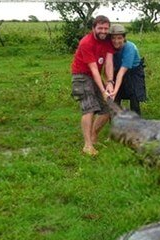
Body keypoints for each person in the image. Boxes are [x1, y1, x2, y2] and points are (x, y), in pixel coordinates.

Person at [71, 15, 115, 156]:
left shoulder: (108, 41)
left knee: (107, 108)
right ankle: (87, 145)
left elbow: (108, 62)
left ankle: (94, 137)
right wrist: (102, 90)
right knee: (89, 108)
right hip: (81, 75)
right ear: (93, 28)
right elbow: (94, 69)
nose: (103, 31)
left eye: (106, 28)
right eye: (100, 28)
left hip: (93, 76)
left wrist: (109, 82)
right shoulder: (86, 42)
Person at [109, 24, 147, 115]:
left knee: (134, 96)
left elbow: (122, 72)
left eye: (119, 38)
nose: (116, 41)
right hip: (117, 70)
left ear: (124, 38)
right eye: (113, 38)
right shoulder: (109, 47)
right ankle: (115, 120)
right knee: (115, 97)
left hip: (133, 72)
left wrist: (114, 91)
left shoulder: (130, 48)